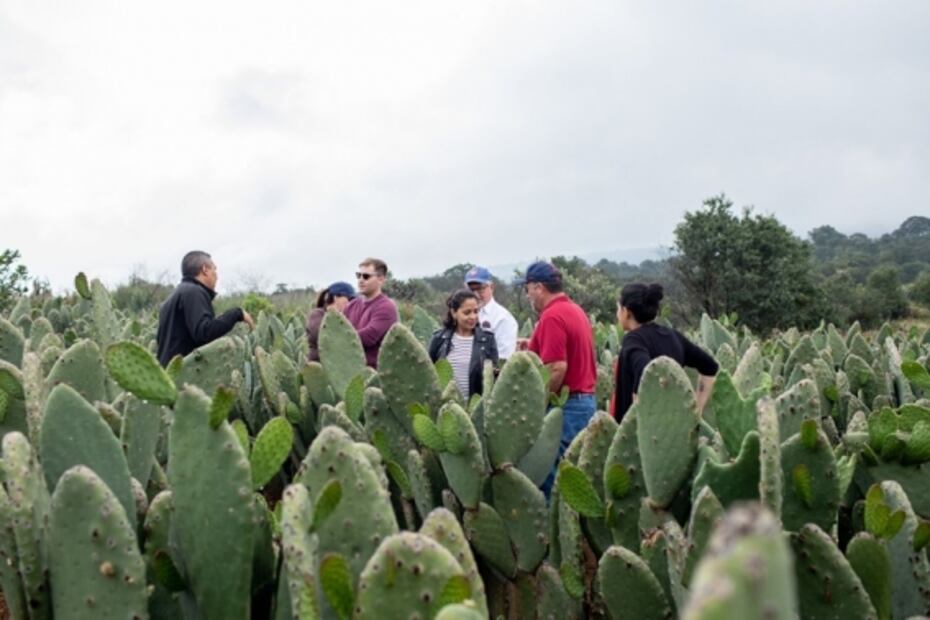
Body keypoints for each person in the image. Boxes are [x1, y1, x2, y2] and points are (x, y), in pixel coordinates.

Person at [517, 261, 597, 463]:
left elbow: (556, 368)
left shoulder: (552, 316)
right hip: (584, 404)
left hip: (566, 408)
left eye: (528, 289)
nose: (528, 296)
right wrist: (534, 344)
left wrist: (538, 405)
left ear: (539, 287)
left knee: (552, 475)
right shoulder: (574, 310)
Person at [614, 283, 719, 419]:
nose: (617, 314)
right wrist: (697, 411)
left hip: (639, 438)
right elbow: (710, 367)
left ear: (626, 312)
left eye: (618, 309)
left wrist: (640, 421)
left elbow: (644, 372)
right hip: (674, 432)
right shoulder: (672, 335)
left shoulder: (633, 340)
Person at [156, 250, 254, 366]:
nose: (216, 275)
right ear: (205, 270)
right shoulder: (194, 292)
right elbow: (204, 333)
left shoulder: (174, 296)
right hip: (184, 377)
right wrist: (237, 313)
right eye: (214, 269)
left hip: (168, 373)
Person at [428, 289, 499, 398]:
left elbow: (493, 378)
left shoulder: (488, 340)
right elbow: (429, 374)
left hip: (476, 408)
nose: (473, 317)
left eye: (476, 311)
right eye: (467, 312)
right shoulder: (439, 339)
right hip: (447, 407)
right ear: (454, 313)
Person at [343, 257, 399, 368]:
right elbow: (337, 329)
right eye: (358, 275)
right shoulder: (351, 305)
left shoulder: (386, 307)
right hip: (348, 370)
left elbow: (369, 337)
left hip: (374, 375)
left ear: (381, 279)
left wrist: (340, 339)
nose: (361, 280)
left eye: (366, 276)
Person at [464, 266, 519, 359]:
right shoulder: (460, 315)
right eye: (471, 290)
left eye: (480, 289)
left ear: (492, 287)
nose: (475, 294)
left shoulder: (503, 318)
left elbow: (503, 358)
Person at [305, 281, 356, 362]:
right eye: (349, 299)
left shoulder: (344, 317)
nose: (352, 303)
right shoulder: (317, 314)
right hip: (319, 366)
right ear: (336, 297)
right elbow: (325, 336)